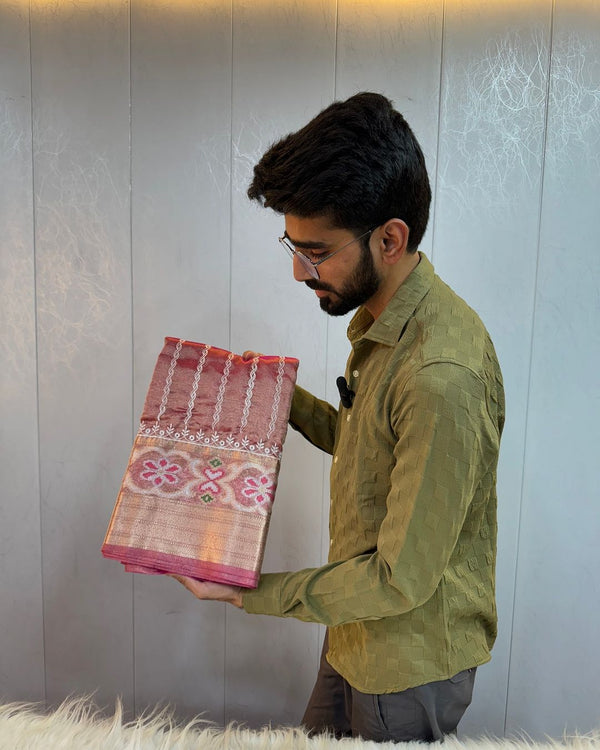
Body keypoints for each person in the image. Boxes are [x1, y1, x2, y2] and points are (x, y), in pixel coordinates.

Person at [171, 92, 505, 743]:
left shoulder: (440, 373)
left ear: (390, 237)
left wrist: (248, 590)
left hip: (403, 661)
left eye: (317, 251)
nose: (299, 271)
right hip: (353, 630)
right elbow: (367, 445)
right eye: (291, 246)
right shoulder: (384, 328)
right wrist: (277, 396)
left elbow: (398, 580)